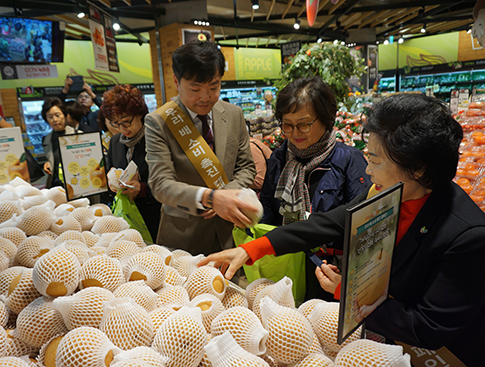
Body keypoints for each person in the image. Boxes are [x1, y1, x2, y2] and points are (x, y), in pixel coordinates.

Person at [200, 94, 485, 367]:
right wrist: (251, 249)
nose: (368, 170)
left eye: (375, 160)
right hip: (390, 342)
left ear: (419, 169)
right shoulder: (385, 193)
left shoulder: (467, 236)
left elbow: (428, 327)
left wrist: (346, 294)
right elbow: (327, 224)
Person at [260, 77, 370, 300]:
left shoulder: (349, 160)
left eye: (304, 124)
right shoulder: (279, 159)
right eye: (287, 125)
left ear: (326, 119)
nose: (294, 133)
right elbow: (269, 210)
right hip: (285, 269)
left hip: (330, 275)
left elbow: (364, 225)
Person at [144, 40, 257, 255]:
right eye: (195, 89)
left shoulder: (233, 114)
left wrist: (224, 195)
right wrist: (210, 198)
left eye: (214, 87)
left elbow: (247, 168)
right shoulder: (159, 122)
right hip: (183, 238)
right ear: (177, 83)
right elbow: (160, 184)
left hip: (228, 234)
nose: (206, 97)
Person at [102, 84, 161, 241]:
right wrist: (111, 182)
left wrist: (142, 189)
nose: (122, 129)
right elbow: (111, 172)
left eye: (126, 121)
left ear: (140, 114)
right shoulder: (115, 142)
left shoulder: (156, 139)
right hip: (126, 221)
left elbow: (171, 182)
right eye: (115, 123)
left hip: (156, 219)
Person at [41, 97, 81, 188]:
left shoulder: (78, 136)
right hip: (55, 186)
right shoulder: (46, 139)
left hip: (76, 185)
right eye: (50, 117)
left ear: (65, 115)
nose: (55, 120)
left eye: (57, 115)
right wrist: (48, 163)